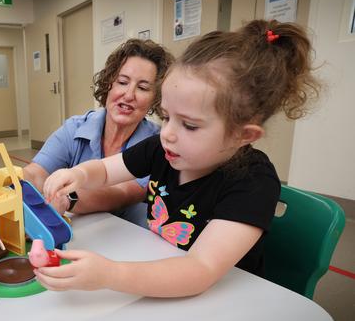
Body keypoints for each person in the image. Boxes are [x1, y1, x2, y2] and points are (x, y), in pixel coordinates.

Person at [38, 20, 321, 297]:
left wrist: (110, 275)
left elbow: (200, 269)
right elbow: (104, 170)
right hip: (158, 270)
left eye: (190, 125)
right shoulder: (163, 149)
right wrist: (79, 175)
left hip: (223, 297)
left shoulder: (253, 182)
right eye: (166, 116)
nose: (168, 134)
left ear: (243, 135)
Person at [23, 39, 173, 227]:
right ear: (109, 83)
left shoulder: (157, 144)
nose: (128, 95)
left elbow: (123, 194)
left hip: (127, 236)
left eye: (142, 88)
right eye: (122, 82)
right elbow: (36, 172)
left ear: (156, 99)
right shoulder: (75, 128)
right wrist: (12, 180)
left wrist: (68, 198)